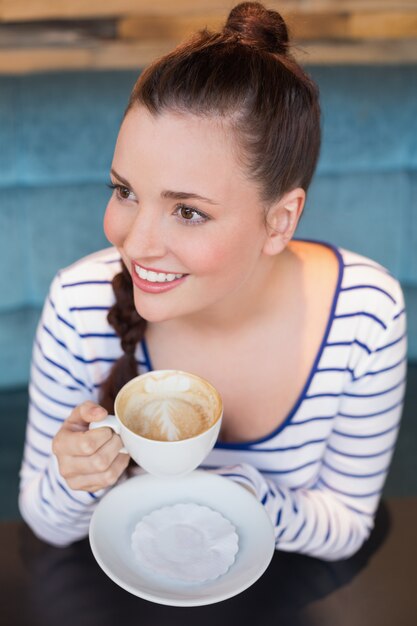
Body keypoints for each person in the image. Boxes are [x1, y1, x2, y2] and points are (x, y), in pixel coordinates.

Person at [19, 2, 407, 558]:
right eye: (125, 190)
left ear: (280, 221)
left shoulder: (366, 313)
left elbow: (344, 526)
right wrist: (75, 474)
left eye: (188, 211)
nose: (136, 243)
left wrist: (239, 496)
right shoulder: (78, 304)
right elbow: (46, 523)